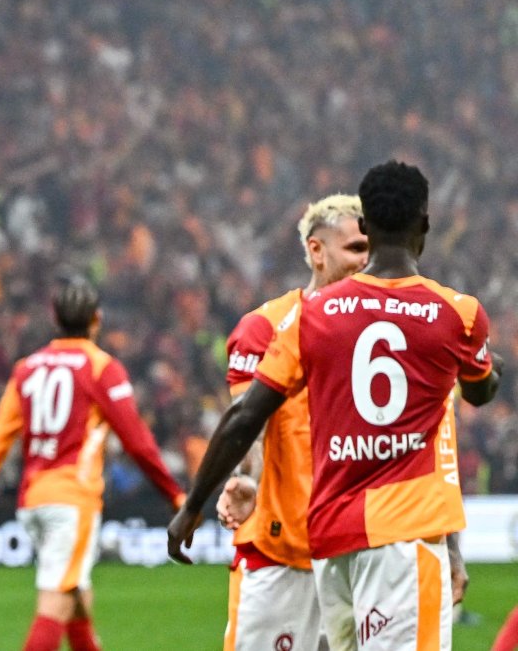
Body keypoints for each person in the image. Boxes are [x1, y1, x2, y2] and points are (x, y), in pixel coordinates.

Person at [168, 161, 502, 651]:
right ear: (425, 224)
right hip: (403, 535)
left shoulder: (313, 316)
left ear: (366, 224)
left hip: (331, 542)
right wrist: (489, 373)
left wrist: (192, 506)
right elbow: (475, 396)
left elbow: (245, 416)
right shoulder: (455, 314)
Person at [0, 275, 185, 651]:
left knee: (77, 597)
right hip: (72, 501)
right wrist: (176, 496)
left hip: (33, 501)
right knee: (56, 601)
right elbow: (138, 442)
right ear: (96, 319)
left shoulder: (27, 368)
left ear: (54, 318)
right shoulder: (101, 367)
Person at [215, 194, 368, 651]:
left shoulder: (384, 328)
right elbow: (249, 427)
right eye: (355, 248)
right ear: (317, 251)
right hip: (284, 551)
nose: (366, 261)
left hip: (364, 549)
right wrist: (249, 480)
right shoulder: (265, 327)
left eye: (370, 250)